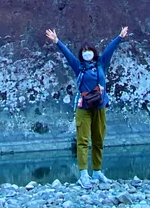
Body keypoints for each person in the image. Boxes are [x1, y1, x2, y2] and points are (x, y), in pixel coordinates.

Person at [45, 25, 129, 187]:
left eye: (89, 50)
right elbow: (67, 55)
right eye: (84, 51)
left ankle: (97, 172)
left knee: (98, 140)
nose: (87, 53)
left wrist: (119, 37)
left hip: (100, 106)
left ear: (94, 53)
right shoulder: (79, 67)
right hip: (83, 107)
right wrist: (57, 41)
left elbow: (110, 49)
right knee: (82, 140)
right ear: (82, 55)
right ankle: (83, 174)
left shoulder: (101, 64)